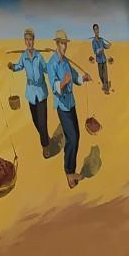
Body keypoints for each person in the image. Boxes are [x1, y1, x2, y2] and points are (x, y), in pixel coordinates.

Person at [47, 30, 87, 189]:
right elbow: (54, 87)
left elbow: (75, 76)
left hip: (71, 103)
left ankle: (71, 170)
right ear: (57, 44)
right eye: (62, 43)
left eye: (65, 43)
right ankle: (69, 173)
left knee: (76, 136)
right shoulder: (52, 64)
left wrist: (83, 78)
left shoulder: (66, 61)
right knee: (72, 138)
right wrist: (63, 82)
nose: (64, 46)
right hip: (62, 106)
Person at [8, 27, 51, 154]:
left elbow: (46, 69)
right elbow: (19, 66)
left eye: (30, 39)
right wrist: (12, 67)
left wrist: (53, 65)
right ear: (24, 41)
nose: (29, 42)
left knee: (42, 122)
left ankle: (45, 146)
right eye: (26, 40)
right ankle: (45, 137)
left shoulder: (39, 57)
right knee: (36, 121)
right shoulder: (23, 57)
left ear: (34, 40)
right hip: (31, 93)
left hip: (41, 92)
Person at [88, 24, 112, 94]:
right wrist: (99, 50)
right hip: (99, 61)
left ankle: (106, 89)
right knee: (101, 75)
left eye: (97, 29)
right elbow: (95, 52)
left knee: (105, 75)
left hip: (104, 59)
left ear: (98, 30)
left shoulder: (101, 40)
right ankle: (104, 85)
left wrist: (108, 45)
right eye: (95, 29)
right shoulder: (93, 42)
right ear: (94, 31)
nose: (97, 31)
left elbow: (105, 46)